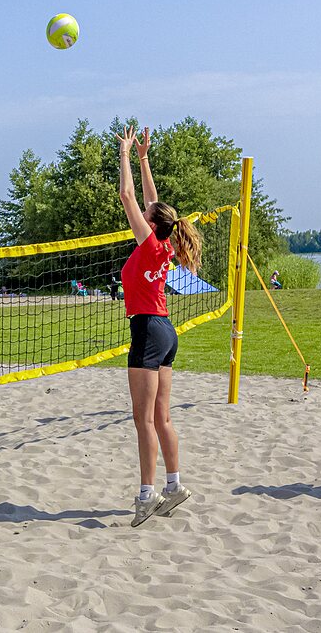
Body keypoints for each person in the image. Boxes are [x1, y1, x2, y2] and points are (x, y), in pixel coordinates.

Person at [116, 125, 202, 526]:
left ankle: (147, 494)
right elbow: (151, 201)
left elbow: (129, 196)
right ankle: (174, 484)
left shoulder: (150, 244)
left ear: (151, 224)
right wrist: (145, 158)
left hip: (149, 331)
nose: (145, 212)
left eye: (147, 216)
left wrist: (125, 152)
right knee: (162, 416)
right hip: (166, 330)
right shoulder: (164, 242)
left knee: (143, 419)